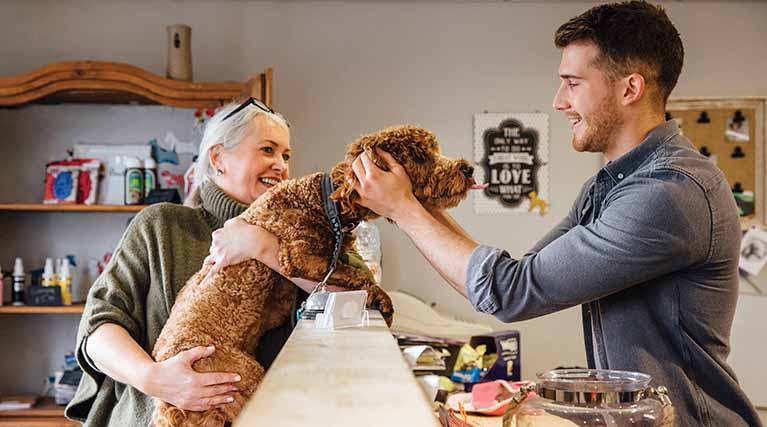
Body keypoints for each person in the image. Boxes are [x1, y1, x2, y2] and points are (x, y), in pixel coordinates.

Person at [349, 2, 760, 427]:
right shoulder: (610, 185)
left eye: (573, 83)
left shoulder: (670, 193)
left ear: (629, 88)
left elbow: (510, 292)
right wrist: (417, 205)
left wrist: (404, 208)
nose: (559, 101)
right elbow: (512, 279)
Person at [65, 98, 372, 426]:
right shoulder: (161, 226)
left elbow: (362, 301)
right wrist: (153, 378)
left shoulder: (305, 236)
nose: (281, 165)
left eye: (286, 155)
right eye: (267, 150)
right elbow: (99, 328)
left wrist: (263, 247)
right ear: (218, 158)